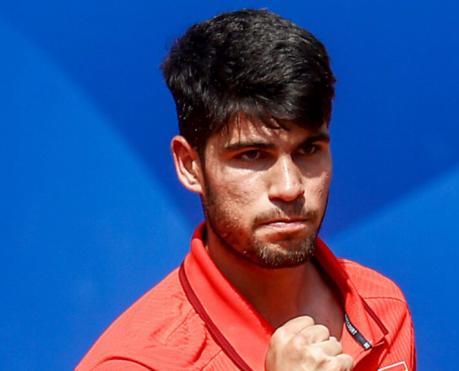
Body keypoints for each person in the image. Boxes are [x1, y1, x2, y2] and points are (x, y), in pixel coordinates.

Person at [77, 9, 415, 371]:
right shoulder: (135, 363)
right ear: (190, 166)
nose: (289, 187)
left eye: (308, 150)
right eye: (252, 154)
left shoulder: (382, 308)